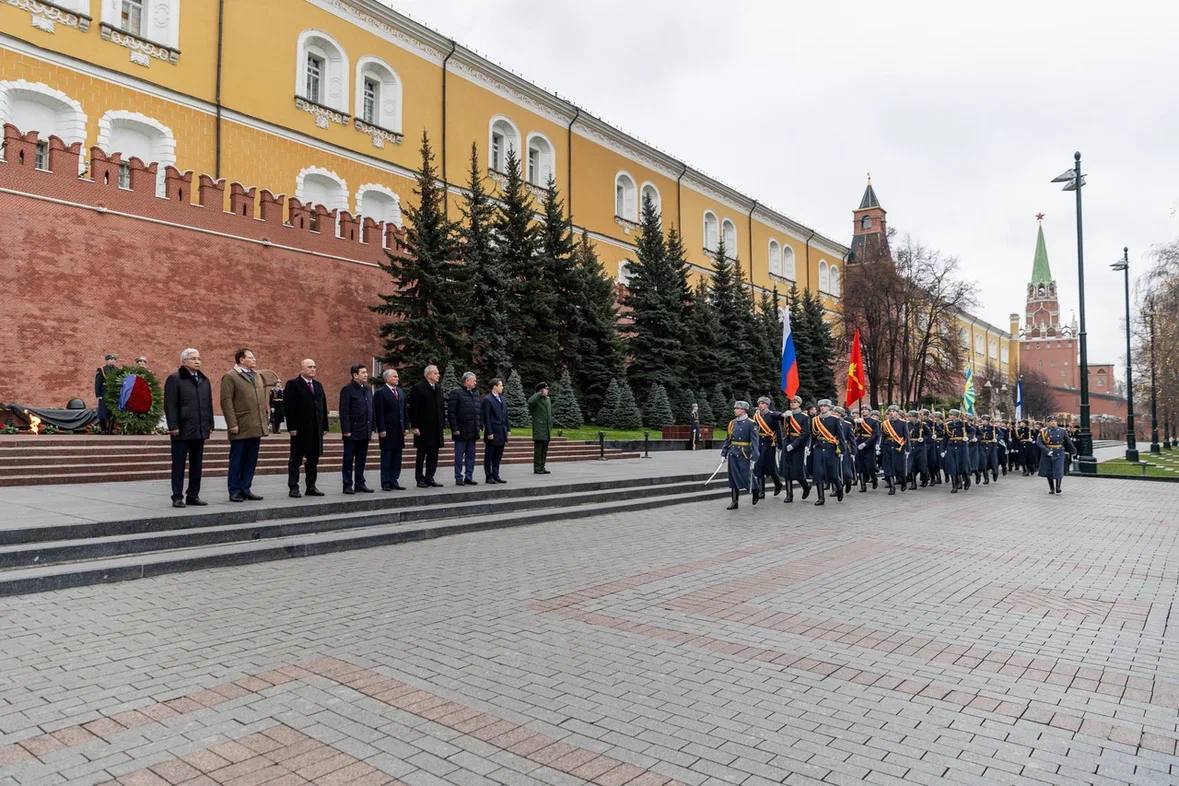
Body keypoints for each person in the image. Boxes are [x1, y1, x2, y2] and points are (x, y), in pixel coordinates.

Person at [163, 348, 214, 507]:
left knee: (197, 464)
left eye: (199, 358)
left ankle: (193, 495)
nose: (197, 361)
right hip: (182, 429)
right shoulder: (175, 379)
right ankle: (177, 496)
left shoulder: (204, 380)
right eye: (193, 359)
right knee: (179, 464)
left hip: (199, 428)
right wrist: (173, 426)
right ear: (184, 361)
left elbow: (208, 404)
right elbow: (170, 404)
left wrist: (210, 423)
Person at [219, 348, 269, 502]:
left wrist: (264, 421)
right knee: (237, 460)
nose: (254, 359)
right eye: (251, 357)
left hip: (256, 425)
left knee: (251, 460)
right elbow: (226, 401)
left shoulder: (257, 376)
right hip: (240, 425)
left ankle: (246, 488)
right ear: (241, 359)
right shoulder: (230, 376)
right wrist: (232, 423)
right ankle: (234, 490)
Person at [283, 359, 328, 498]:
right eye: (309, 367)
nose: (313, 369)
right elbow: (289, 407)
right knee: (295, 460)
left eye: (314, 366)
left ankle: (311, 486)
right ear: (302, 369)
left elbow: (323, 406)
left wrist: (324, 426)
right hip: (300, 430)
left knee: (313, 460)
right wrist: (291, 427)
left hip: (315, 430)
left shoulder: (318, 385)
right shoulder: (293, 384)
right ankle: (293, 487)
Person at [339, 363, 375, 494]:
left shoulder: (368, 389)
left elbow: (371, 409)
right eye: (363, 372)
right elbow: (344, 412)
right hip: (352, 432)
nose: (366, 375)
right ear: (355, 375)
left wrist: (372, 427)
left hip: (365, 430)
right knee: (348, 459)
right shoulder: (347, 390)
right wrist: (346, 430)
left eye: (366, 372)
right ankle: (347, 484)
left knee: (361, 459)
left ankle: (360, 483)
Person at [408, 365, 445, 488]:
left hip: (436, 428)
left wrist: (442, 424)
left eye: (438, 373)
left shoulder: (438, 388)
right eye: (436, 373)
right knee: (421, 454)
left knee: (433, 455)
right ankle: (420, 479)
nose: (438, 375)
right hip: (423, 428)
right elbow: (413, 409)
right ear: (428, 374)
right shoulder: (418, 388)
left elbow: (441, 408)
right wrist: (415, 426)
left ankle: (430, 477)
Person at [721, 400, 760, 510]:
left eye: (737, 408)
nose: (735, 410)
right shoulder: (732, 423)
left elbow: (755, 442)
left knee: (746, 475)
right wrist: (724, 453)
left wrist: (754, 457)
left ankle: (755, 490)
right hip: (733, 453)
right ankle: (734, 501)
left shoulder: (751, 423)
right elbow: (728, 439)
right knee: (733, 477)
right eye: (735, 408)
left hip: (744, 454)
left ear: (743, 410)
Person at [374, 368, 407, 491]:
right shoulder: (380, 393)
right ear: (387, 378)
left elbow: (404, 411)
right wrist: (381, 429)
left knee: (397, 457)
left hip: (399, 430)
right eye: (394, 376)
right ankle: (386, 482)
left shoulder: (400, 392)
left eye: (397, 376)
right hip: (387, 430)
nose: (397, 378)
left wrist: (406, 427)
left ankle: (394, 480)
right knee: (387, 457)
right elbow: (379, 413)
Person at [810, 399, 847, 506]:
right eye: (821, 406)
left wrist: (842, 450)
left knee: (833, 474)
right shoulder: (815, 420)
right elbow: (813, 436)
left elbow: (840, 436)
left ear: (829, 407)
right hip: (818, 448)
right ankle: (821, 498)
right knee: (818, 473)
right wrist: (810, 448)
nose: (822, 408)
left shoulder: (835, 419)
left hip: (831, 448)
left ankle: (839, 487)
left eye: (825, 406)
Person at [448, 372, 481, 486]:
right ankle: (458, 477)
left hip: (473, 431)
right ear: (467, 381)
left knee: (471, 456)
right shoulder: (456, 393)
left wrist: (479, 426)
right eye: (474, 380)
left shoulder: (476, 393)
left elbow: (477, 411)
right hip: (461, 431)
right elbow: (451, 413)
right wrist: (455, 428)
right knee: (459, 456)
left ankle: (469, 477)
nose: (475, 382)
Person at [779, 395, 810, 503]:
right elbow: (784, 428)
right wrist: (784, 416)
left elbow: (805, 434)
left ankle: (805, 486)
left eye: (795, 402)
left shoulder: (804, 417)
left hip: (797, 445)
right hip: (787, 443)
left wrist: (794, 445)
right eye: (791, 402)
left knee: (797, 471)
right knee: (786, 470)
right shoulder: (787, 415)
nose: (792, 403)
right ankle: (789, 494)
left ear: (799, 404)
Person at [752, 396, 784, 500]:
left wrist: (780, 445)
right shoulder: (756, 416)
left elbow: (778, 431)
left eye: (763, 403)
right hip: (759, 443)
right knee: (759, 466)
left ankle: (778, 483)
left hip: (770, 444)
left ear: (767, 405)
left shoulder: (772, 416)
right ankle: (761, 491)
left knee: (771, 467)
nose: (760, 405)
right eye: (759, 403)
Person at [481, 378, 509, 484]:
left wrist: (508, 429)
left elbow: (506, 415)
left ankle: (496, 475)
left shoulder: (503, 399)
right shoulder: (487, 399)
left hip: (502, 431)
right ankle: (489, 476)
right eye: (500, 385)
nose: (502, 387)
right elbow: (486, 417)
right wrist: (489, 432)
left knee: (498, 456)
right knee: (489, 456)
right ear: (494, 387)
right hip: (493, 432)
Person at [1038, 415, 1076, 494]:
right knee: (1049, 471)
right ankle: (1052, 488)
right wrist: (1046, 450)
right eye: (1051, 421)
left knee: (1059, 469)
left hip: (1059, 451)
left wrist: (1073, 450)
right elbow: (1039, 442)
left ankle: (1058, 487)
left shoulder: (1062, 431)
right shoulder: (1043, 431)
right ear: (1048, 423)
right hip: (1048, 452)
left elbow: (1068, 441)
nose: (1053, 423)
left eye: (1055, 421)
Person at [879, 405, 908, 495]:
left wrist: (907, 449)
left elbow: (906, 437)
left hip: (898, 447)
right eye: (890, 411)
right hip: (887, 447)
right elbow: (883, 436)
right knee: (888, 468)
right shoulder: (885, 423)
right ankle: (892, 487)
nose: (892, 413)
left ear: (897, 413)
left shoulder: (903, 423)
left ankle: (903, 481)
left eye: (894, 411)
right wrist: (880, 447)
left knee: (899, 468)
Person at [942, 408, 972, 493]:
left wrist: (967, 437)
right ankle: (954, 486)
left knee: (963, 465)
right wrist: (943, 450)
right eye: (950, 415)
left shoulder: (963, 423)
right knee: (952, 466)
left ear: (956, 416)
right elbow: (945, 438)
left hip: (962, 446)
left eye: (951, 415)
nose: (949, 416)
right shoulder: (948, 425)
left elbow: (972, 431)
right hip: (951, 446)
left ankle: (967, 479)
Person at [528, 382, 553, 475]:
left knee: (544, 451)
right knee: (538, 451)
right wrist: (539, 393)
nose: (548, 390)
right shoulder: (536, 399)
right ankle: (537, 468)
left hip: (547, 429)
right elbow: (530, 402)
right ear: (541, 390)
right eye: (546, 389)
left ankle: (542, 466)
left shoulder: (547, 399)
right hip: (539, 429)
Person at [853, 406, 879, 492]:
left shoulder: (874, 422)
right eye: (862, 409)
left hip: (869, 446)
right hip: (859, 444)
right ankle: (863, 485)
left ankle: (874, 478)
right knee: (860, 465)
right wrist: (856, 425)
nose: (863, 411)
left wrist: (865, 443)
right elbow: (855, 433)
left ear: (869, 411)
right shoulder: (858, 421)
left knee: (870, 465)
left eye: (865, 409)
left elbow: (875, 435)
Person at [95, 353, 118, 434]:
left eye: (114, 359)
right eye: (111, 359)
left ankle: (110, 430)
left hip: (113, 394)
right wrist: (98, 394)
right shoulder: (101, 369)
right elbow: (98, 383)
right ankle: (103, 429)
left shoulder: (117, 370)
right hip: (104, 393)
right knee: (103, 412)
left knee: (112, 412)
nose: (112, 361)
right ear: (107, 360)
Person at [978, 414, 999, 484]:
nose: (983, 421)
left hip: (991, 446)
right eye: (983, 420)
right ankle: (986, 478)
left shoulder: (993, 428)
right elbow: (977, 435)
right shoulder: (980, 428)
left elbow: (1001, 434)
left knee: (993, 461)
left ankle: (995, 472)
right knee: (984, 462)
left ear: (988, 421)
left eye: (985, 420)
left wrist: (996, 439)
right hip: (982, 445)